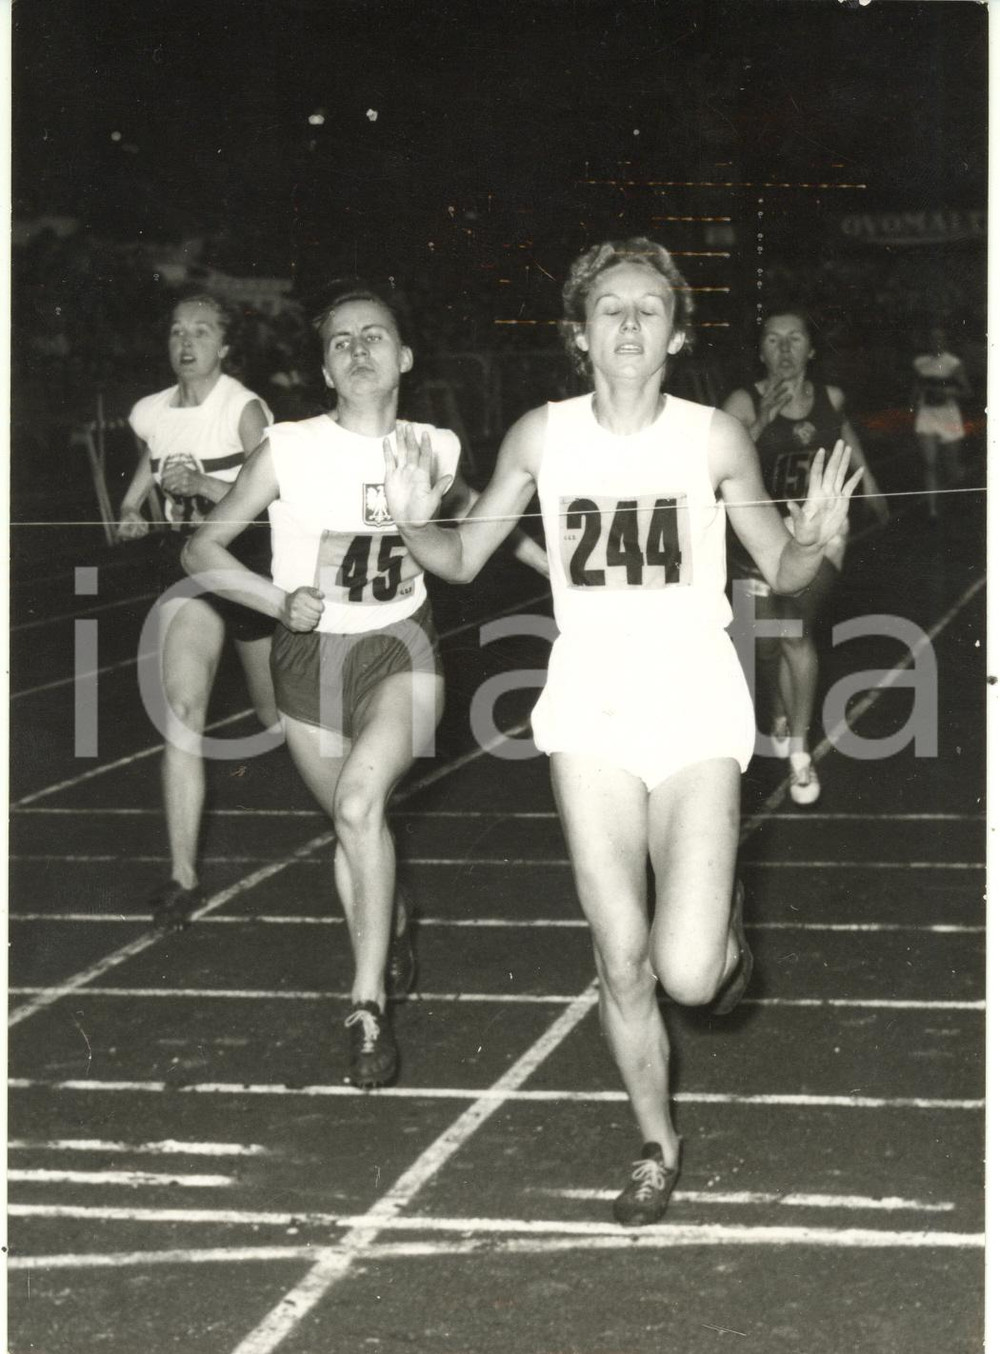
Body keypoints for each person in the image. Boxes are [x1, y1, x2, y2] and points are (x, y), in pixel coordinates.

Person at [382, 238, 861, 1226]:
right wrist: (408, 524)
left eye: (649, 308)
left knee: (689, 971)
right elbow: (464, 559)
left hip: (692, 702)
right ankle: (655, 1141)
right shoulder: (540, 435)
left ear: (678, 332)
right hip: (590, 706)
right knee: (619, 952)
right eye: (610, 308)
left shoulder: (710, 439)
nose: (630, 323)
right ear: (578, 334)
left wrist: (823, 543)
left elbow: (783, 570)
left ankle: (722, 936)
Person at [182, 280, 547, 1089]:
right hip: (307, 659)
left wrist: (558, 572)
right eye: (340, 340)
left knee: (356, 806)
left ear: (405, 356)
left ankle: (366, 1005)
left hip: (399, 650)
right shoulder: (290, 447)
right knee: (355, 828)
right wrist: (278, 599)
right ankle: (396, 922)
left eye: (373, 335)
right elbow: (200, 551)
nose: (357, 349)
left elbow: (483, 515)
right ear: (323, 368)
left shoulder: (433, 445)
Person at [118, 293, 279, 930]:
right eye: (178, 331)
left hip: (251, 571)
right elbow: (141, 482)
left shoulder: (243, 409)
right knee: (182, 712)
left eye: (202, 331)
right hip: (189, 576)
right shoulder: (151, 413)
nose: (187, 342)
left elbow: (278, 496)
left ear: (225, 345)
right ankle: (181, 876)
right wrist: (133, 514)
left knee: (277, 720)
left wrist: (207, 487)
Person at [722, 307, 888, 805]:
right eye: (774, 340)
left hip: (819, 533)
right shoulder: (741, 402)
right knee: (765, 645)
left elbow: (846, 440)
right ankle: (779, 706)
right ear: (761, 350)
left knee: (792, 627)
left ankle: (799, 751)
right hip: (758, 535)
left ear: (811, 350)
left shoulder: (829, 398)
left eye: (795, 339)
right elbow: (714, 469)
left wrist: (876, 492)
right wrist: (761, 425)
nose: (785, 349)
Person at [911, 326, 971, 521]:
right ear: (927, 342)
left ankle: (959, 501)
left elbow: (967, 392)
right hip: (927, 415)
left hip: (948, 416)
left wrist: (948, 392)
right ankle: (933, 509)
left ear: (945, 342)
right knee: (930, 463)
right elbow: (915, 389)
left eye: (940, 339)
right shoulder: (920, 363)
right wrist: (913, 405)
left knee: (951, 465)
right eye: (932, 339)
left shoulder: (953, 363)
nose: (936, 343)